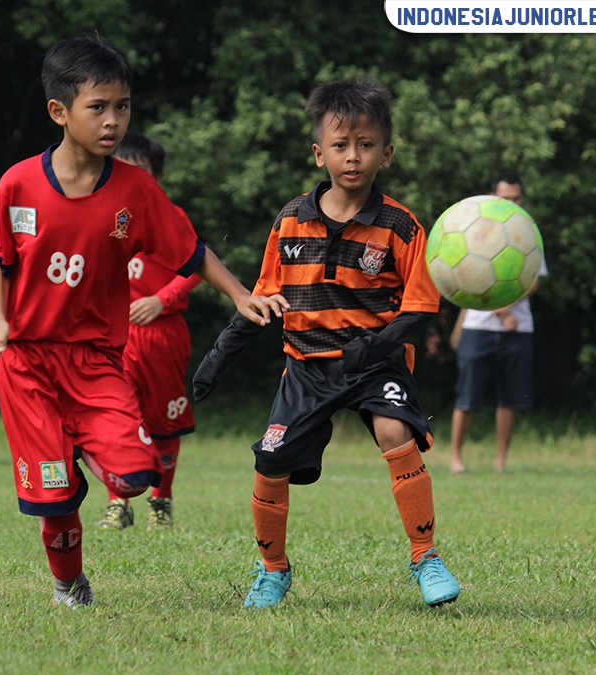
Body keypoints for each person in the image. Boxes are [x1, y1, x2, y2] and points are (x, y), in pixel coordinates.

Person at [0, 35, 286, 609]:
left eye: (123, 107)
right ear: (59, 112)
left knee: (137, 474)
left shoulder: (136, 191)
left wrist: (241, 293)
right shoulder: (17, 183)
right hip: (26, 365)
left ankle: (82, 453)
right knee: (56, 498)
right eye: (99, 107)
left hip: (94, 361)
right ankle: (69, 584)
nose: (114, 120)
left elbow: (189, 251)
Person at [193, 79, 461, 609]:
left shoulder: (402, 227)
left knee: (392, 429)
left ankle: (425, 558)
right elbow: (264, 299)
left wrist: (376, 345)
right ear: (319, 154)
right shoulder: (290, 220)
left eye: (366, 145)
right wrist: (219, 355)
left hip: (375, 364)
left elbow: (421, 307)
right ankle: (273, 570)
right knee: (270, 463)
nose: (353, 157)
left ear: (386, 153)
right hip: (306, 368)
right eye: (340, 146)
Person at [96, 133, 202, 531]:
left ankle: (161, 500)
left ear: (155, 177)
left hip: (163, 336)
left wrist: (161, 299)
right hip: (113, 340)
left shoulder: (172, 217)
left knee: (163, 423)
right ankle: (118, 504)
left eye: (139, 170)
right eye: (122, 168)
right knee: (118, 421)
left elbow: (197, 267)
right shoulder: (101, 217)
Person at [449, 175, 548, 474]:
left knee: (510, 398)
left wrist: (505, 309)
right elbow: (464, 278)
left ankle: (500, 460)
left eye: (517, 198)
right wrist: (498, 311)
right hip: (477, 327)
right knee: (467, 396)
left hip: (518, 329)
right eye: (506, 198)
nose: (512, 204)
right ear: (493, 197)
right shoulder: (474, 228)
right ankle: (455, 457)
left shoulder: (527, 233)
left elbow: (532, 282)